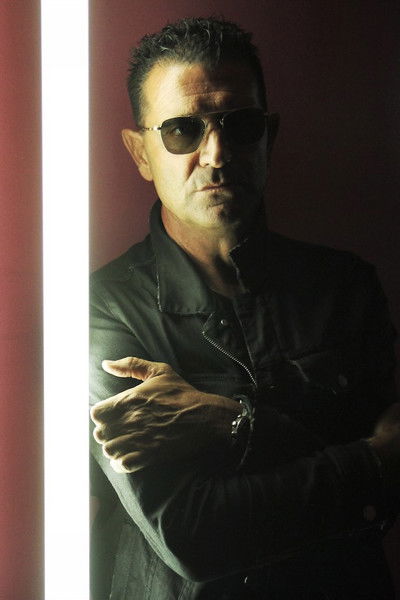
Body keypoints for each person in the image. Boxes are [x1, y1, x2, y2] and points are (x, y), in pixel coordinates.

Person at [89, 16, 400, 600]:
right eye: (182, 130)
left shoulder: (345, 287)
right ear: (140, 152)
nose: (216, 154)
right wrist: (370, 462)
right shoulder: (102, 313)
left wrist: (227, 423)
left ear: (269, 135)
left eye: (241, 125)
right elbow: (193, 536)